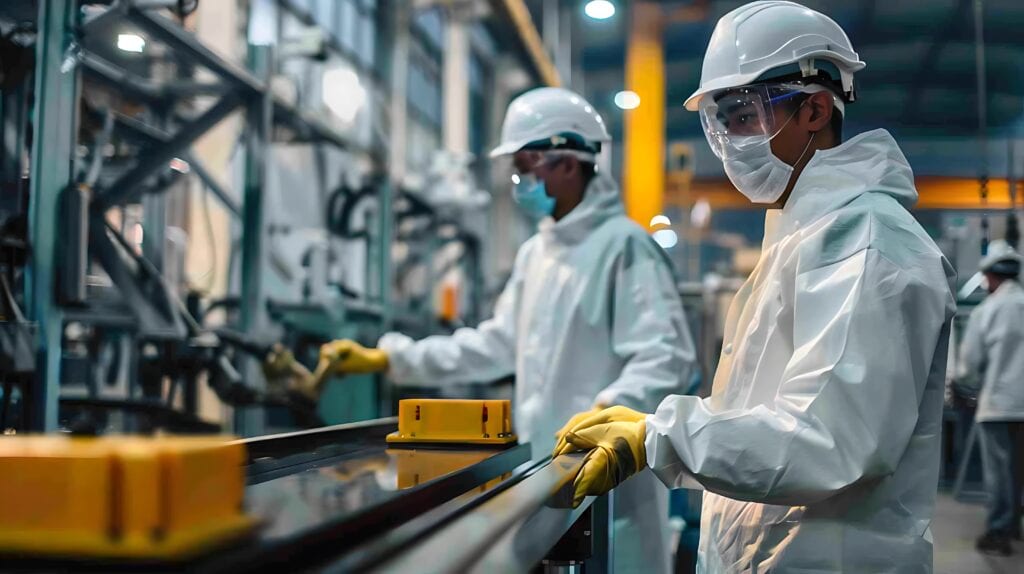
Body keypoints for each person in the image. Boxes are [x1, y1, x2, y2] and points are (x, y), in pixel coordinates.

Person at [554, 2, 957, 572]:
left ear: (816, 108)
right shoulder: (801, 238)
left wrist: (661, 436)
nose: (729, 142)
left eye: (743, 116)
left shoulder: (868, 243)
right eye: (719, 124)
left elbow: (830, 439)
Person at [317, 87, 697, 574]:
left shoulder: (623, 246)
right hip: (542, 472)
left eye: (526, 164)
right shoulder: (536, 254)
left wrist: (607, 412)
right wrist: (392, 358)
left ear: (567, 161)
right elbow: (497, 344)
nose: (519, 180)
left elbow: (666, 355)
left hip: (608, 478)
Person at [957, 240, 1024, 555]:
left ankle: (999, 532)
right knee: (1020, 470)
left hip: (997, 406)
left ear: (991, 276)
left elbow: (968, 365)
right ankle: (1016, 526)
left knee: (999, 471)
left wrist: (965, 385)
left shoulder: (987, 311)